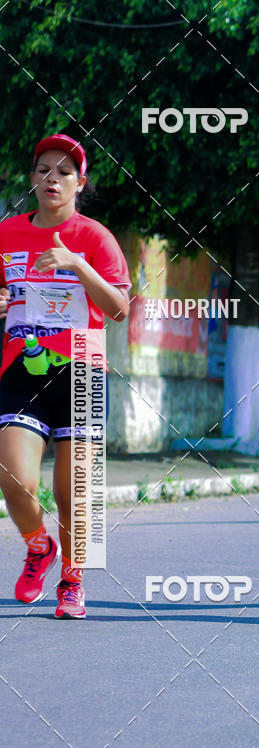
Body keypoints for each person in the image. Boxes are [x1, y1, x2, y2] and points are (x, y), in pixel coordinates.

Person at [0, 134, 130, 618]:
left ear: (80, 182)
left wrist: (77, 265)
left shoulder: (95, 237)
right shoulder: (7, 233)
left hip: (82, 371)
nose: (52, 178)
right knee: (14, 477)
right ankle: (38, 546)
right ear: (32, 178)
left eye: (64, 171)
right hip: (22, 370)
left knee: (73, 490)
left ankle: (72, 580)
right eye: (44, 169)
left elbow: (118, 310)